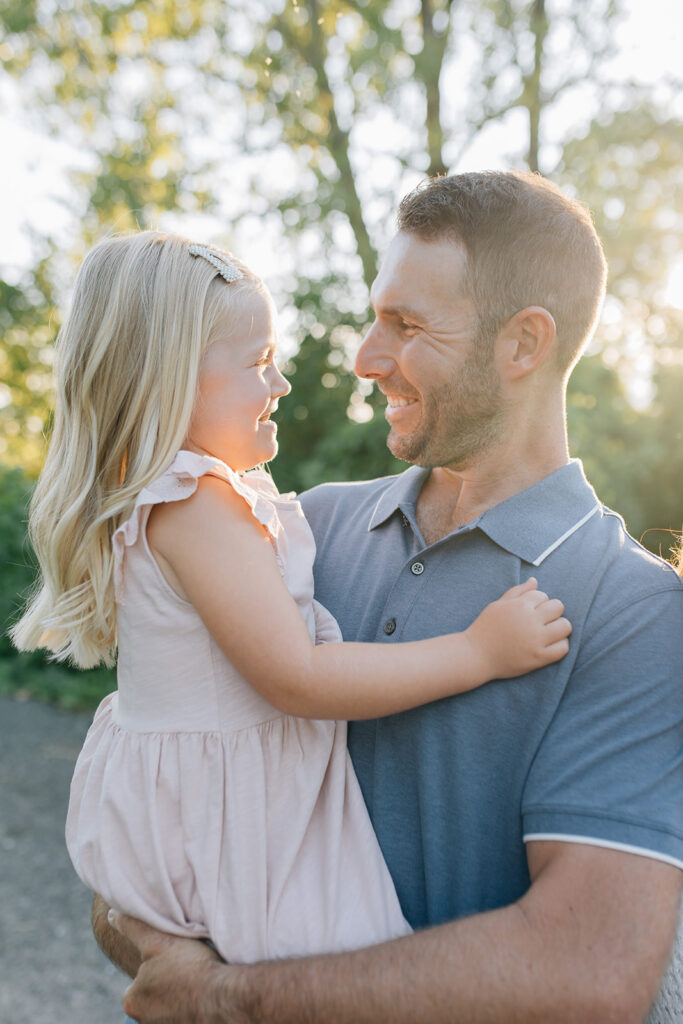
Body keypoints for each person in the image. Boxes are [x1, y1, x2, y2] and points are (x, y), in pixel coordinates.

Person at [95, 170, 682, 1024]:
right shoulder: (298, 533)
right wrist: (160, 949)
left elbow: (588, 972)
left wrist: (225, 998)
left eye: (405, 327)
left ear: (522, 345)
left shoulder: (632, 610)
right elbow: (148, 832)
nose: (366, 358)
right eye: (376, 317)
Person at [11, 232, 572, 967]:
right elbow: (298, 679)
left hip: (202, 806)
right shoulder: (196, 504)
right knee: (335, 978)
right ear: (167, 383)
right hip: (239, 828)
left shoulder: (184, 503)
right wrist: (477, 652)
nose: (279, 386)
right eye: (257, 365)